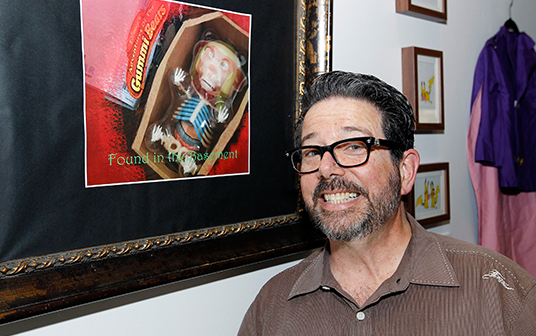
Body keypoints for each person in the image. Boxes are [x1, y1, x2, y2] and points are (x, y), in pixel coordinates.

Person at [238, 71, 536, 335]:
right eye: (312, 151)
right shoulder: (272, 307)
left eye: (354, 146)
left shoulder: (499, 291)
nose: (326, 168)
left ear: (405, 171)